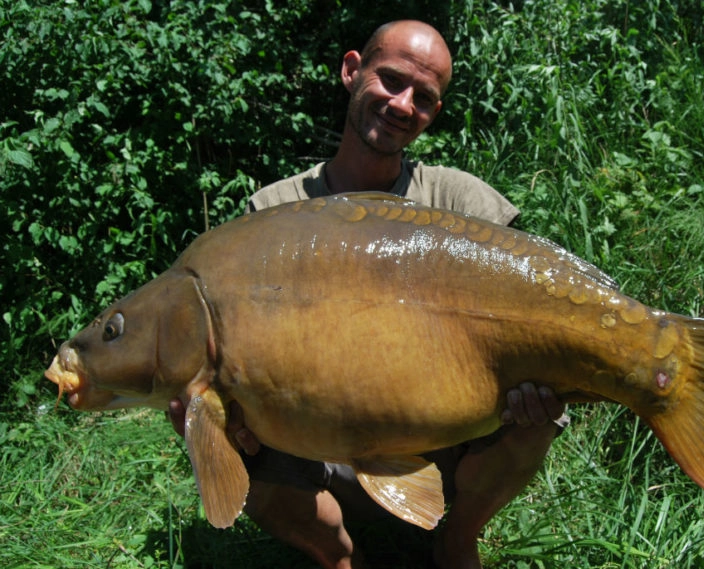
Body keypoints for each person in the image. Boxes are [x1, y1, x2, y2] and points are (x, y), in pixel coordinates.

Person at [169, 20, 567, 569]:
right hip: (311, 453)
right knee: (198, 409)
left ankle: (457, 538)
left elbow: (529, 306)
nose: (403, 104)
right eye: (391, 80)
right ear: (352, 70)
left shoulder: (460, 201)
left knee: (543, 412)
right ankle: (334, 553)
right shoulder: (272, 213)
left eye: (423, 97)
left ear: (435, 113)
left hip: (441, 448)